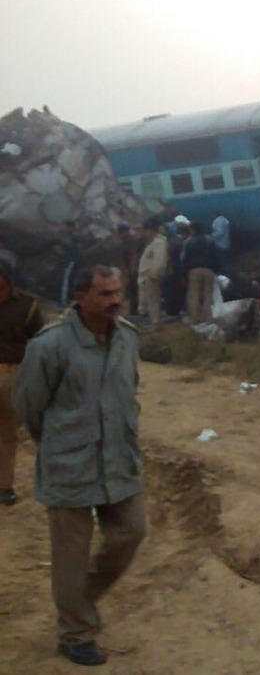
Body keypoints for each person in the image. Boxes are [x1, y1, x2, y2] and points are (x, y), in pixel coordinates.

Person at [13, 264, 145, 667]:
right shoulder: (49, 346)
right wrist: (58, 443)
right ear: (79, 298)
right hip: (70, 463)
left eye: (117, 292)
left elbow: (130, 391)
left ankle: (79, 603)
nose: (115, 301)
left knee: (131, 533)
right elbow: (28, 406)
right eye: (104, 294)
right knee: (70, 555)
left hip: (119, 459)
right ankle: (74, 634)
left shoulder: (127, 337)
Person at [0, 250, 44, 506]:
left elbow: (40, 344)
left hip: (14, 375)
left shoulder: (28, 306)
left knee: (7, 434)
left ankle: (4, 486)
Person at [182, 223, 218, 324]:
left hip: (194, 270)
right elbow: (216, 255)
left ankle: (195, 318)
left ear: (193, 230)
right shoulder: (210, 240)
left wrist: (184, 272)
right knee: (208, 295)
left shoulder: (189, 242)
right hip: (208, 270)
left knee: (194, 295)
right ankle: (208, 318)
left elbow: (185, 259)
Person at [136, 221, 168, 330]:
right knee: (150, 301)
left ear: (150, 230)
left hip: (150, 275)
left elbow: (159, 260)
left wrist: (153, 274)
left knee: (153, 300)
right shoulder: (153, 243)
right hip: (147, 276)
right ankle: (154, 322)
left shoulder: (159, 242)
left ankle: (156, 323)